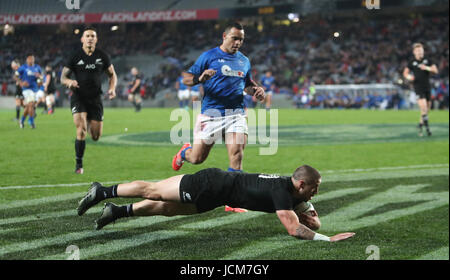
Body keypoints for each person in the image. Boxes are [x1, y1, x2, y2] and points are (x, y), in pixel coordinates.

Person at [77, 165, 355, 242]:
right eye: (314, 189)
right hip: (212, 183)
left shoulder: (291, 192)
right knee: (155, 191)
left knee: (168, 209)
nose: (317, 193)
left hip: (218, 194)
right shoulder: (283, 193)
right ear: (302, 185)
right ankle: (103, 191)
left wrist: (308, 211)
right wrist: (326, 240)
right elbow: (295, 230)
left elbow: (312, 221)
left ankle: (116, 212)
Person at [171, 22, 265, 213]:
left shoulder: (244, 60)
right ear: (224, 36)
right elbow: (186, 78)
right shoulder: (209, 56)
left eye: (241, 39)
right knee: (197, 159)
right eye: (234, 38)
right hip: (212, 114)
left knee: (237, 153)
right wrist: (200, 78)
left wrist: (255, 89)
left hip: (236, 113)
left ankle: (232, 201)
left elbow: (246, 83)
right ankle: (184, 152)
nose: (238, 43)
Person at [61, 26, 117, 174]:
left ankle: (90, 123)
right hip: (79, 97)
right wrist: (69, 83)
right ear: (82, 39)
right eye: (87, 36)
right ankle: (79, 165)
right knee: (81, 130)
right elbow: (63, 77)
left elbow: (112, 74)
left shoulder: (102, 56)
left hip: (96, 99)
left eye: (93, 36)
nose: (90, 38)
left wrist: (112, 88)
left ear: (96, 39)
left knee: (96, 136)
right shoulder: (75, 56)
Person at [403, 43, 439, 137]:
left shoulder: (427, 61)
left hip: (427, 86)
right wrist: (409, 77)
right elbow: (405, 73)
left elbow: (435, 70)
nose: (420, 52)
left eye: (421, 50)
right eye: (418, 51)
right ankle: (427, 129)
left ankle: (420, 124)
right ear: (414, 52)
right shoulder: (412, 62)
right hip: (418, 87)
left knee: (427, 109)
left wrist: (426, 67)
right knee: (423, 107)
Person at [15, 54, 42, 129]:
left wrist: (40, 79)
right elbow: (15, 75)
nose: (31, 60)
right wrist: (21, 83)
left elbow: (41, 79)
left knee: (28, 107)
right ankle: (31, 122)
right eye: (30, 58)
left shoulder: (37, 68)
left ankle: (22, 120)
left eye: (32, 58)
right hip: (26, 89)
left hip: (35, 89)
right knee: (30, 104)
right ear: (27, 59)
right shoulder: (23, 67)